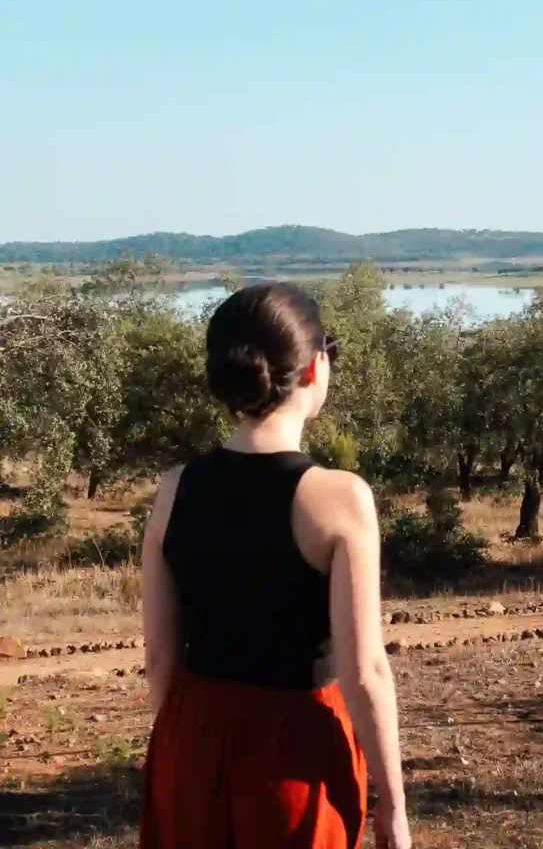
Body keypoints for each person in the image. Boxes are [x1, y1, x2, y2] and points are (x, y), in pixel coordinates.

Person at [141, 282, 411, 849]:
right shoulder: (340, 498)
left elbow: (160, 660)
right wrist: (394, 805)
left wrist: (189, 750)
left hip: (188, 742)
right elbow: (365, 672)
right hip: (296, 753)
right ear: (314, 368)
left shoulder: (173, 489)